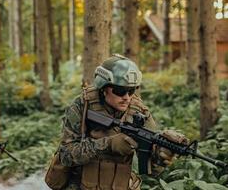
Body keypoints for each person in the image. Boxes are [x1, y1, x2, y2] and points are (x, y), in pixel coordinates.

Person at [50, 54, 187, 190]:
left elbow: (153, 171)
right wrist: (107, 144)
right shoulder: (83, 105)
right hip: (82, 184)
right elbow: (65, 156)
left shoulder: (139, 111)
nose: (127, 97)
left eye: (131, 91)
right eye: (120, 91)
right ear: (104, 88)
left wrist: (163, 154)